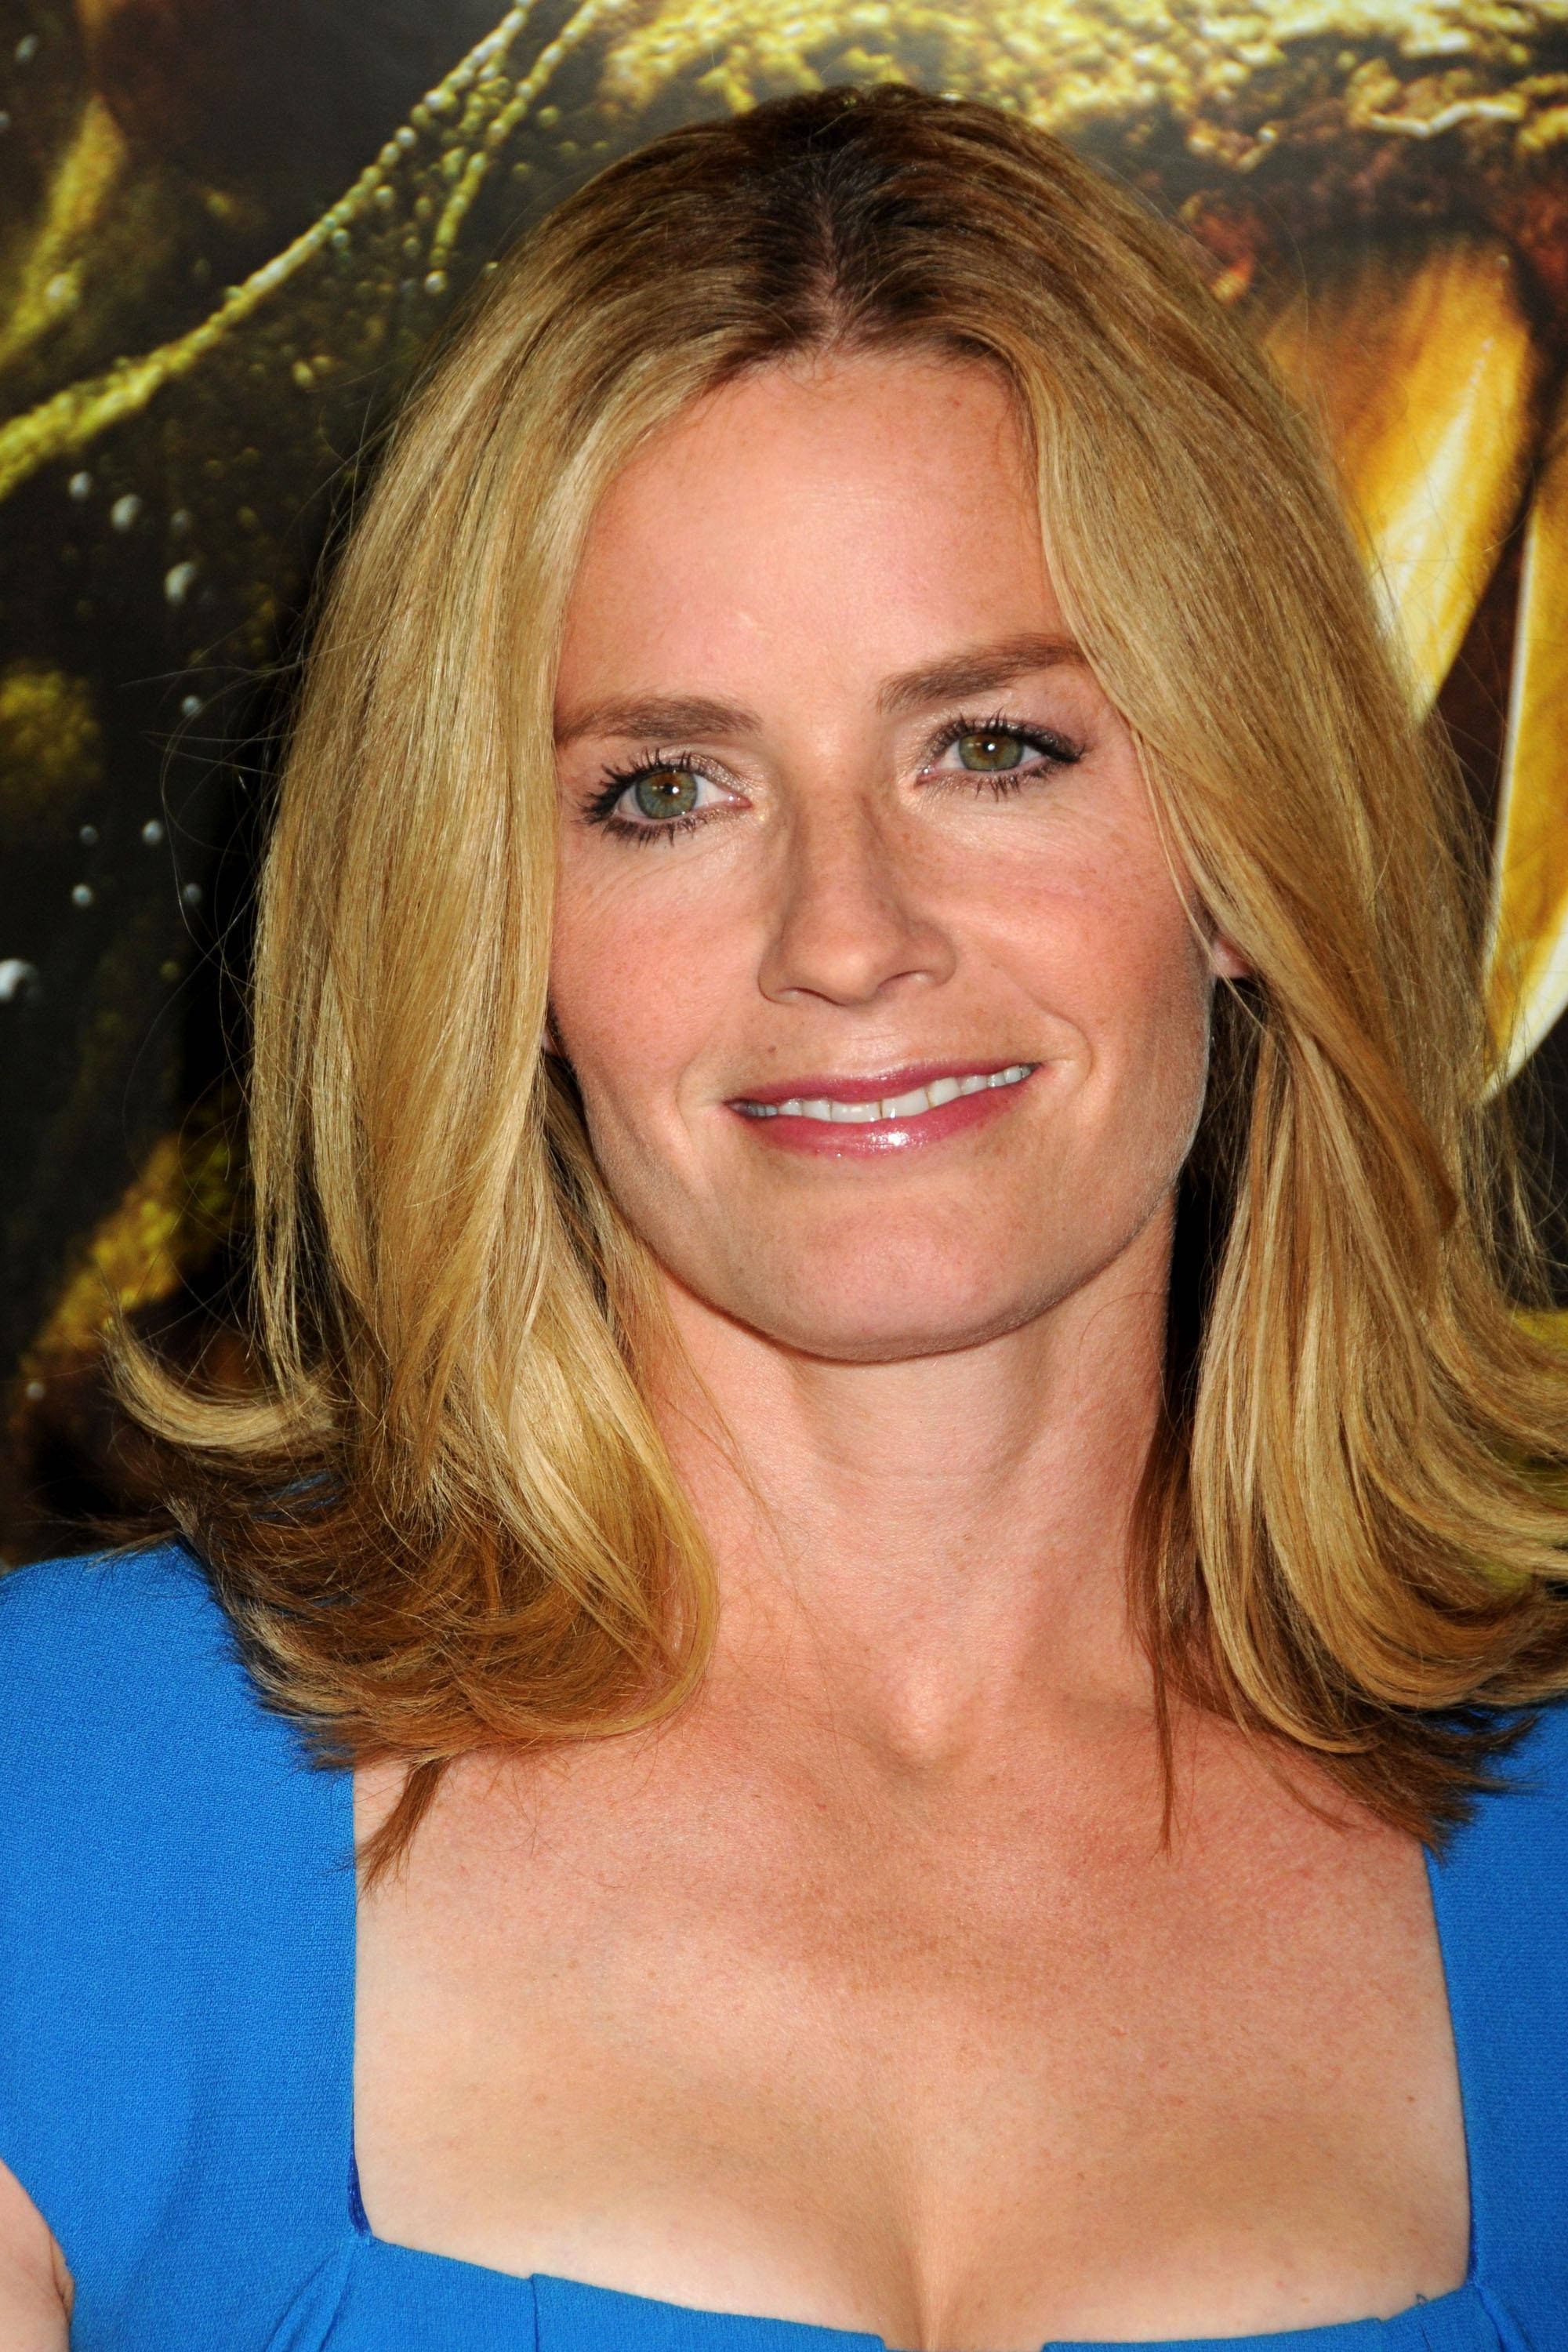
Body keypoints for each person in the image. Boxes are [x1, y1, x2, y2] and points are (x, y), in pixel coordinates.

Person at [2, 79, 1566, 2352]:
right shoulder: (61, 1806)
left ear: (1243, 842)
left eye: (994, 748)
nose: (848, 934)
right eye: (666, 788)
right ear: (494, 915)